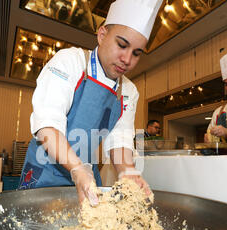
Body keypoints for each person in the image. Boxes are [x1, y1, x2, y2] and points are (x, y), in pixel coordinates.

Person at [19, 0, 163, 205]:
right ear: (102, 35)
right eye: (122, 45)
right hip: (46, 172)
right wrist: (76, 168)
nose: (127, 59)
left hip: (88, 174)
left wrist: (127, 171)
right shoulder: (70, 62)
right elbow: (48, 124)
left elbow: (119, 139)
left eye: (137, 53)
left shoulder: (128, 91)